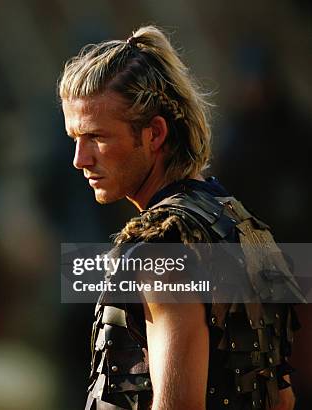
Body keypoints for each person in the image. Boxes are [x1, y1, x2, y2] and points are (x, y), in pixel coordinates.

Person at [58, 26, 298, 410]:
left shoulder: (163, 246)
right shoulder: (241, 223)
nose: (80, 159)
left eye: (97, 138)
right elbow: (283, 400)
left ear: (154, 134)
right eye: (75, 139)